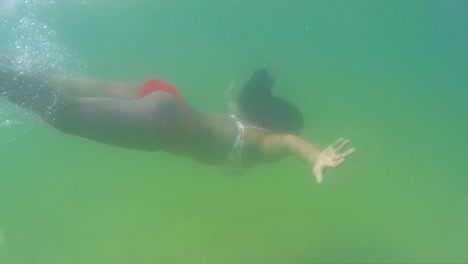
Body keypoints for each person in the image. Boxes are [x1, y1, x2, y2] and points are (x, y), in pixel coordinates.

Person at [0, 65, 355, 183]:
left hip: (166, 97)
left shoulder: (243, 118)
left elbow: (237, 107)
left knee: (67, 82)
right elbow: (291, 142)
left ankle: (15, 65)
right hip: (167, 125)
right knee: (69, 116)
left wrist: (233, 93)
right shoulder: (266, 143)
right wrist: (315, 157)